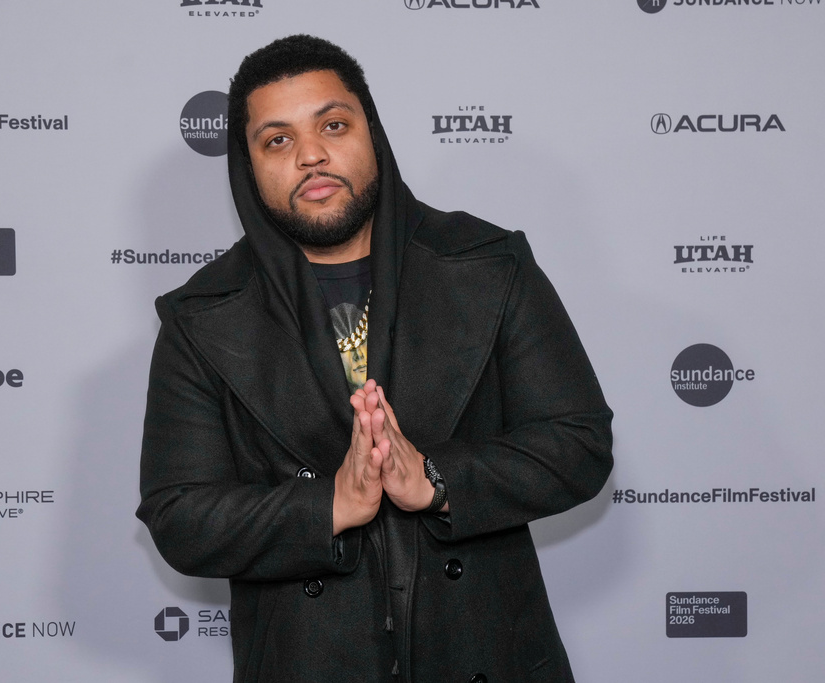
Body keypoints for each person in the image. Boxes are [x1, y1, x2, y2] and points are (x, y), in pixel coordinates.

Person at [137, 34, 613, 683]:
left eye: (332, 124)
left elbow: (578, 444)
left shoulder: (488, 265)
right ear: (246, 166)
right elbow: (180, 516)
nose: (310, 154)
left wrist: (437, 480)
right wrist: (330, 504)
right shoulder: (203, 316)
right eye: (277, 139)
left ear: (371, 130)